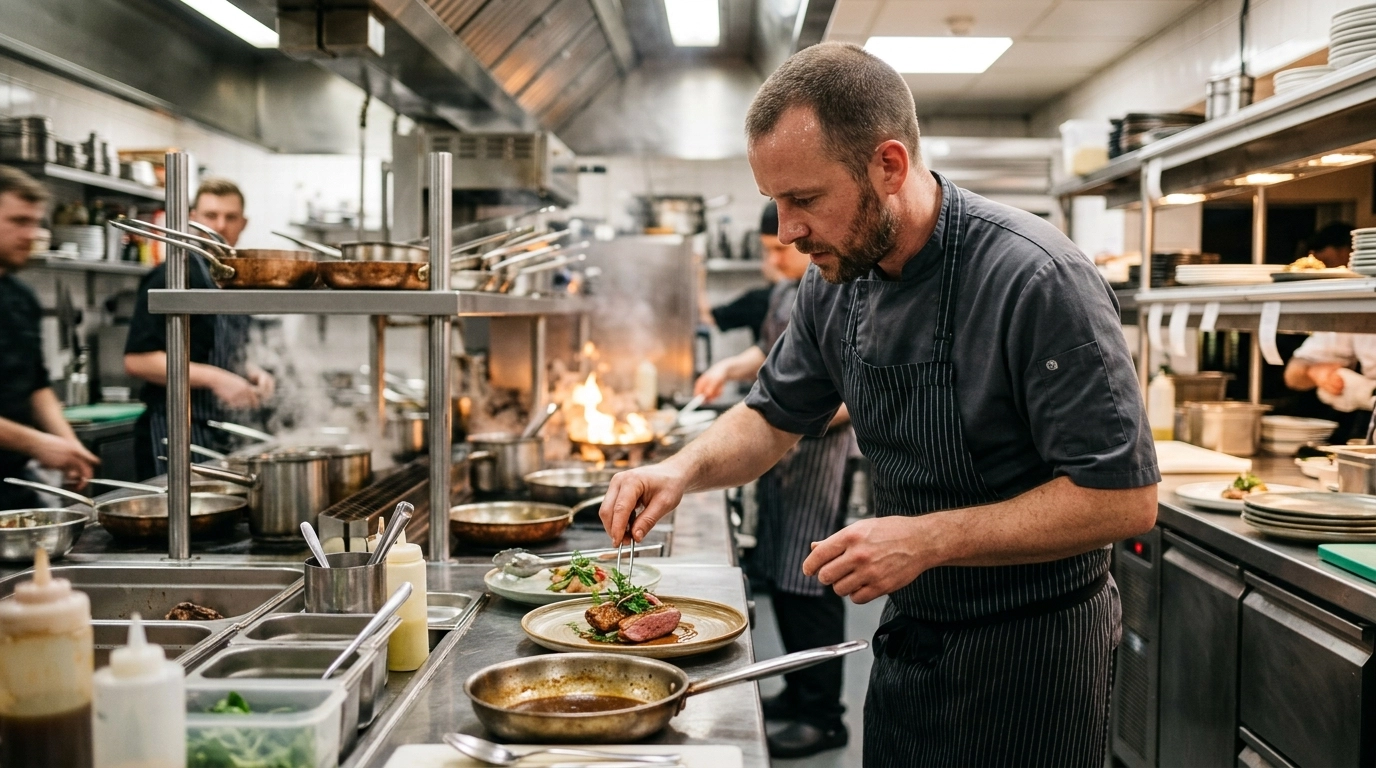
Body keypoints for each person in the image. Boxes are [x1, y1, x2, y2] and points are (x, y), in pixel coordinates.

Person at [598, 43, 1159, 767]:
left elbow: (1122, 501)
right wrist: (681, 470)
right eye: (775, 203)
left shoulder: (1035, 277)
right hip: (912, 644)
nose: (786, 233)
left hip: (1031, 660)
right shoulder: (835, 283)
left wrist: (927, 540)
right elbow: (772, 416)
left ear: (888, 166)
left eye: (804, 199)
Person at [695, 200, 854, 757]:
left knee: (810, 584)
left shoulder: (836, 285)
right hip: (779, 467)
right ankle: (796, 689)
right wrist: (726, 369)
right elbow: (769, 354)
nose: (774, 256)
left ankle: (824, 715)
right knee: (783, 579)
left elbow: (844, 394)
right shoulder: (791, 293)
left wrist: (789, 419)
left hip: (816, 464)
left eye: (776, 249)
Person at [124, 178, 274, 479]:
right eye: (210, 216)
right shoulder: (174, 274)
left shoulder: (235, 278)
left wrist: (251, 369)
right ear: (192, 218)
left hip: (223, 434)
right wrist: (216, 379)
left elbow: (223, 349)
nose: (220, 225)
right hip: (175, 432)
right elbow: (137, 360)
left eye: (230, 217)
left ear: (243, 223)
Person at [0, 166, 99, 509]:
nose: (32, 234)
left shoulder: (20, 296)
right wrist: (38, 444)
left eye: (36, 222)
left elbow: (36, 386)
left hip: (11, 483)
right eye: (19, 221)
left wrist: (70, 446)